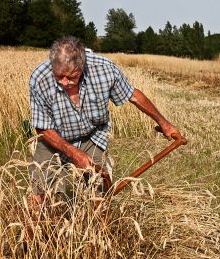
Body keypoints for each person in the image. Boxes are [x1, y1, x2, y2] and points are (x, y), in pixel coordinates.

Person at [28, 36, 181, 206]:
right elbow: (42, 127)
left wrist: (164, 123)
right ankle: (36, 228)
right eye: (59, 76)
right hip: (54, 137)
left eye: (71, 77)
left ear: (82, 66)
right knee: (40, 190)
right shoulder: (40, 78)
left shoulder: (104, 70)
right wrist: (73, 153)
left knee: (99, 192)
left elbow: (134, 96)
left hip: (91, 134)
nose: (64, 82)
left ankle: (98, 227)